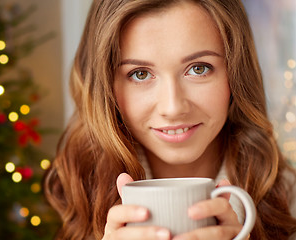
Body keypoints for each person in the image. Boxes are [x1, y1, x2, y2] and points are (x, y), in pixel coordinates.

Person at [43, 0, 296, 239]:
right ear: (105, 87)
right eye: (140, 74)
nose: (173, 107)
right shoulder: (78, 187)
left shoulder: (288, 198)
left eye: (198, 68)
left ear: (236, 73)